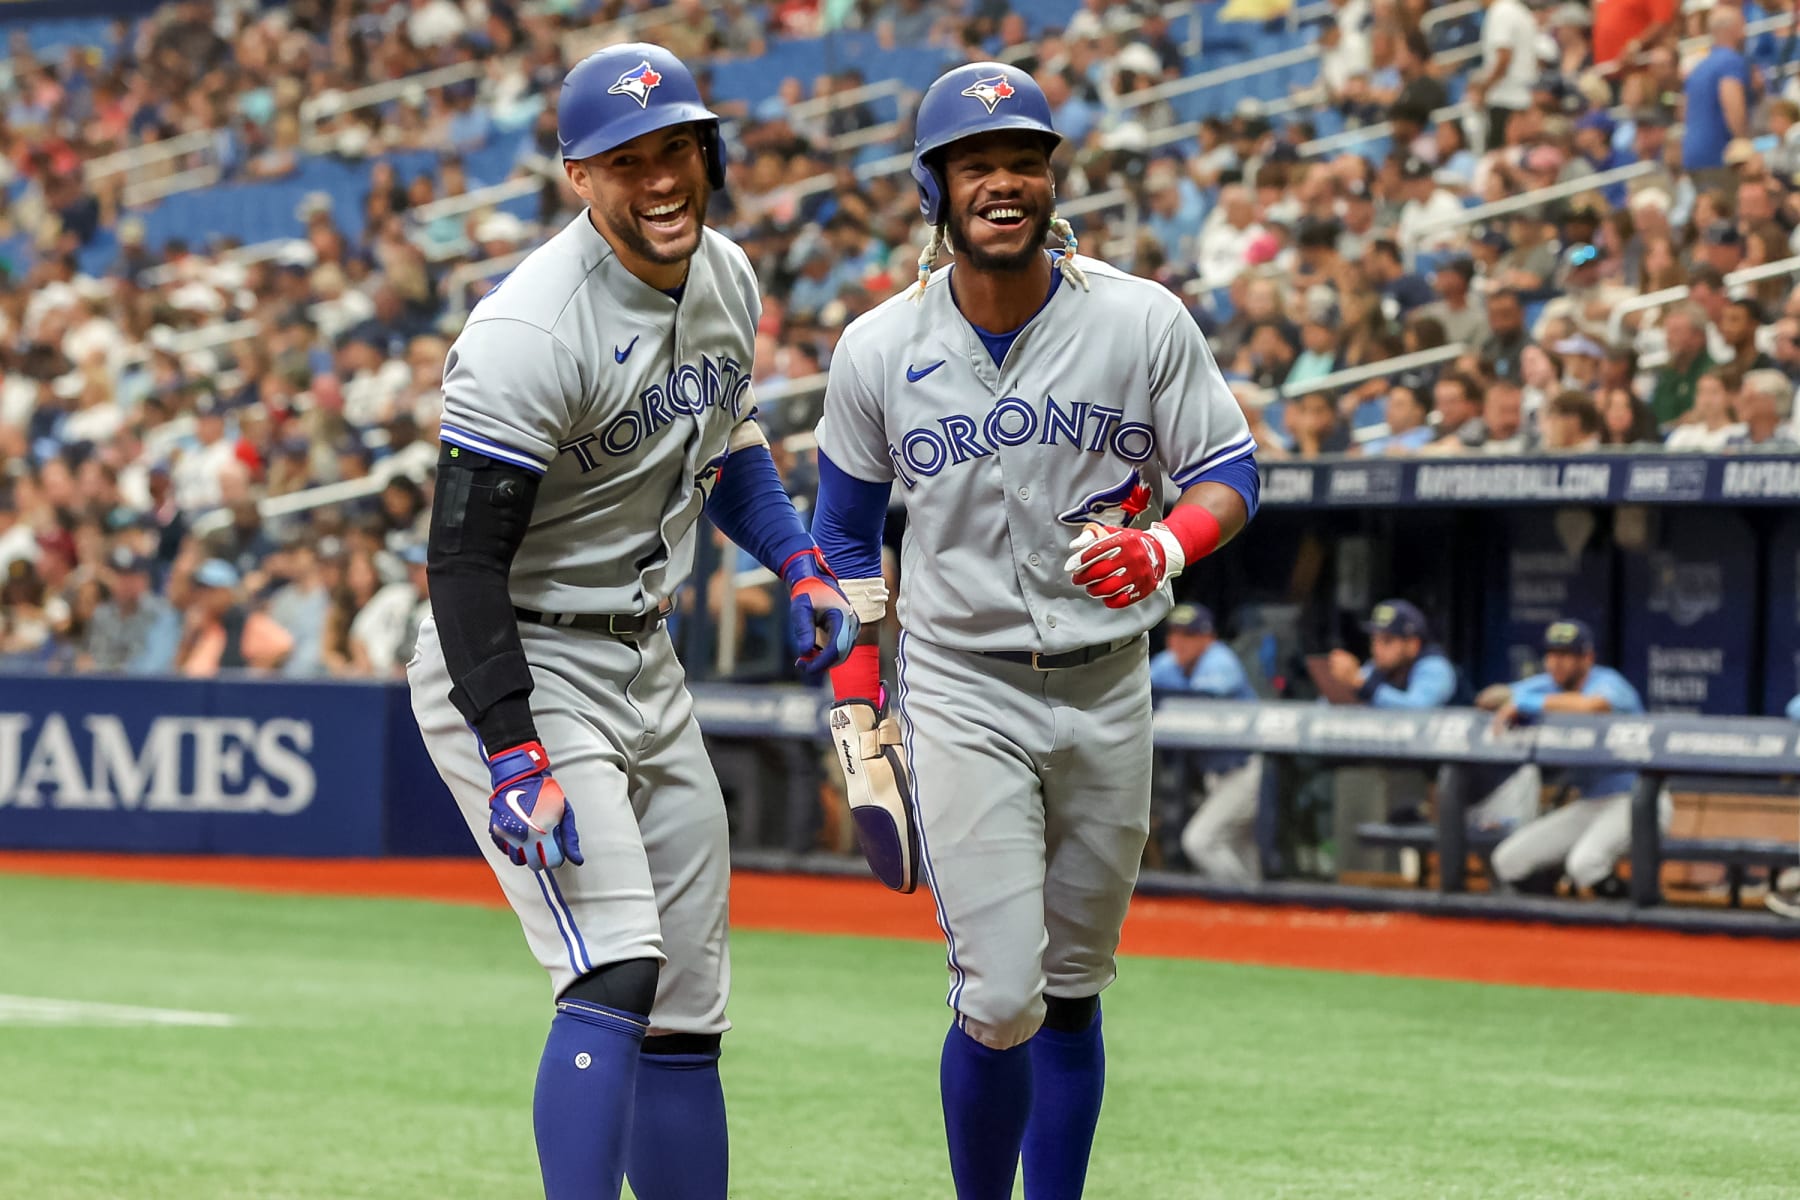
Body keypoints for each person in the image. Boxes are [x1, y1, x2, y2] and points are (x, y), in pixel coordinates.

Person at [404, 44, 858, 1200]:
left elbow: (732, 444)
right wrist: (513, 748)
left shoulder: (729, 277)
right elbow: (460, 563)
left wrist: (798, 558)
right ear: (578, 178)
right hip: (521, 651)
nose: (661, 180)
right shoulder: (529, 332)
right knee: (614, 969)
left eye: (677, 150)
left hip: (644, 659)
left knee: (689, 1010)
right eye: (627, 162)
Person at [809, 62, 1258, 1200]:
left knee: (1074, 983)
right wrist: (858, 697)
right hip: (963, 686)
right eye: (976, 164)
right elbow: (846, 542)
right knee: (1000, 993)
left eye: (1024, 160)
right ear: (935, 191)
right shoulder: (876, 348)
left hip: (1111, 684)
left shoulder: (1140, 316)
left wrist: (1167, 546)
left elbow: (1228, 470)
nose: (1004, 181)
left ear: (1052, 181)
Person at [1484, 620, 1654, 897]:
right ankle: (1551, 927)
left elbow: (1591, 705)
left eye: (1565, 655)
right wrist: (1510, 697)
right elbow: (1488, 698)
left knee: (1585, 864)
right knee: (1507, 860)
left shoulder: (1610, 682)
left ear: (1587, 658)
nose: (1556, 663)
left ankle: (1639, 918)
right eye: (1551, 655)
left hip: (1636, 801)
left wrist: (1528, 703)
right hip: (1589, 804)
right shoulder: (1548, 686)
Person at [1148, 603, 1265, 887]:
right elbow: (1142, 690)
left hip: (1244, 769)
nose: (1178, 642)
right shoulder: (1167, 662)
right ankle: (1257, 913)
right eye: (1174, 634)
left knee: (1200, 841)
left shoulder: (1220, 660)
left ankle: (1249, 899)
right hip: (1215, 773)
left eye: (1188, 635)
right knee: (1238, 845)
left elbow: (1199, 700)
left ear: (1207, 638)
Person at [1325, 599, 1463, 708]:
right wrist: (1341, 685)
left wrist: (1361, 685)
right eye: (1374, 640)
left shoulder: (1434, 666)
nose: (1376, 649)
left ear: (1413, 644)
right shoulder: (1378, 666)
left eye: (1387, 641)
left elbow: (1418, 709)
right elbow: (1357, 685)